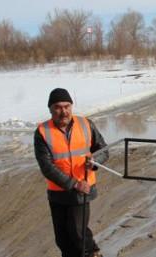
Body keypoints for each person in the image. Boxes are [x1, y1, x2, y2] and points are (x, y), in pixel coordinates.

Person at [34, 88, 108, 257]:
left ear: (71, 106)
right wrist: (74, 184)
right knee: (62, 239)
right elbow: (46, 166)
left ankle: (93, 254)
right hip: (58, 192)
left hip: (83, 190)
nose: (63, 111)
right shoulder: (42, 132)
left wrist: (95, 162)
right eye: (58, 107)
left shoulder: (86, 124)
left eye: (67, 106)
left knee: (78, 234)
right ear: (50, 109)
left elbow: (104, 150)